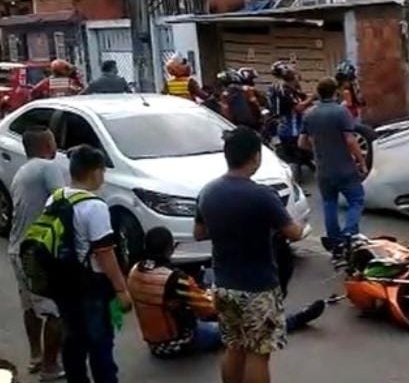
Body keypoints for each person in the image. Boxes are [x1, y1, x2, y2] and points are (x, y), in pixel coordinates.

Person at [194, 127, 307, 383]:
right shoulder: (262, 195)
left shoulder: (208, 192)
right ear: (255, 157)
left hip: (224, 285)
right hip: (258, 287)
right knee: (258, 352)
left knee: (234, 346)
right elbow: (294, 233)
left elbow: (199, 233)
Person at [127, 227, 325, 359]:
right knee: (252, 325)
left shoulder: (135, 271)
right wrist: (216, 295)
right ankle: (295, 320)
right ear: (170, 249)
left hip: (154, 342)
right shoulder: (174, 279)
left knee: (208, 277)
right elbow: (208, 309)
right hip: (180, 341)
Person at [54, 145, 132, 383]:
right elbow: (104, 253)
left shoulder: (57, 197)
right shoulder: (94, 206)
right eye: (103, 171)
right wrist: (121, 289)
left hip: (63, 280)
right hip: (91, 284)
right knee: (100, 343)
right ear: (95, 171)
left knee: (73, 339)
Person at [7, 127, 65, 380]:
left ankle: (36, 356)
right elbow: (62, 202)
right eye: (53, 142)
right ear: (46, 146)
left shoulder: (22, 171)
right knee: (55, 310)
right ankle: (51, 367)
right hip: (38, 251)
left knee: (30, 306)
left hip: (17, 248)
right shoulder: (48, 167)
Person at [299, 78, 368, 251]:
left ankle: (335, 241)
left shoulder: (309, 114)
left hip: (323, 168)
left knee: (329, 203)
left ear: (318, 92)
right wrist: (361, 162)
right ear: (335, 92)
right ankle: (349, 233)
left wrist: (318, 149)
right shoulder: (341, 112)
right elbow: (350, 140)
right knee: (356, 199)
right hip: (344, 166)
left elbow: (302, 143)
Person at [268, 63, 315, 173]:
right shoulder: (284, 90)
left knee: (301, 155)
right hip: (291, 129)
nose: (297, 78)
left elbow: (303, 100)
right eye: (295, 74)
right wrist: (313, 97)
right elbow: (298, 107)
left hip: (291, 127)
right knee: (296, 157)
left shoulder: (290, 89)